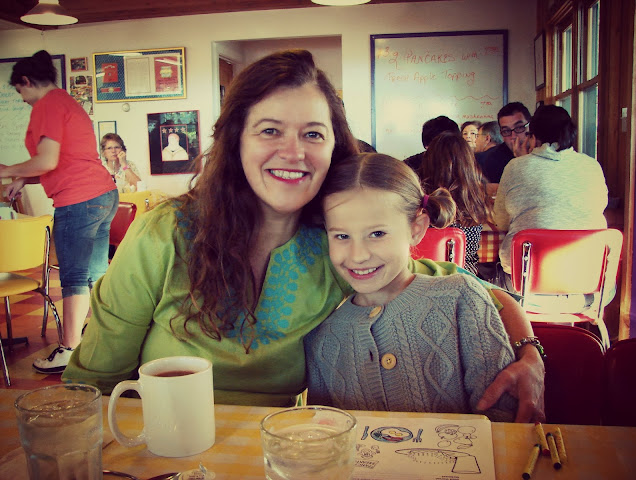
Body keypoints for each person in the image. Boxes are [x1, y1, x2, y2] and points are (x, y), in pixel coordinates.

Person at [62, 50, 543, 422]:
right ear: (236, 139)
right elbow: (91, 386)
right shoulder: (165, 233)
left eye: (313, 134)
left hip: (278, 450)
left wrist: (530, 355)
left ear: (334, 146)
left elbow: (480, 294)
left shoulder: (338, 244)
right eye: (270, 130)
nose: (293, 153)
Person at [305, 153, 516, 422]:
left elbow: (503, 420)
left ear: (416, 229)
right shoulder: (322, 337)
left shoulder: (461, 298)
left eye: (377, 233)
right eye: (342, 236)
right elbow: (329, 432)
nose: (358, 256)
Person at [0, 50, 118, 374]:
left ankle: (69, 349)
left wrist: (7, 170)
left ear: (26, 81)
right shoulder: (66, 101)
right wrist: (22, 178)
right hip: (103, 194)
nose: (22, 99)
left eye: (20, 91)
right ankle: (103, 338)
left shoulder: (47, 105)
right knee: (95, 274)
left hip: (78, 200)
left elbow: (47, 160)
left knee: (74, 277)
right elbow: (63, 161)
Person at [493, 105, 608, 294]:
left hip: (526, 282)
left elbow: (500, 222)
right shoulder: (592, 165)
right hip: (589, 280)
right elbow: (600, 205)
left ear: (533, 137)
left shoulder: (515, 167)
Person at [418, 132, 493, 275]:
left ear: (427, 161)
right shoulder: (474, 200)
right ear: (468, 164)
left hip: (422, 275)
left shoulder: (419, 202)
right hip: (464, 275)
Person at [478, 102, 531, 186]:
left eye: (519, 128)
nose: (513, 136)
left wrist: (524, 161)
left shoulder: (543, 152)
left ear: (531, 127)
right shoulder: (494, 160)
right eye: (506, 131)